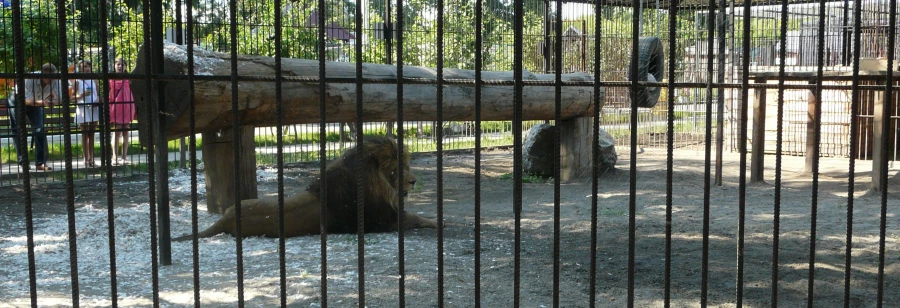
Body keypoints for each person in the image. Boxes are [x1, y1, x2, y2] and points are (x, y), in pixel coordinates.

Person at [9, 63, 62, 171]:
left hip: (37, 102)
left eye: (53, 77)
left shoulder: (56, 80)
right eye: (48, 77)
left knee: (40, 129)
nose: (51, 80)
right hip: (18, 100)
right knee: (19, 130)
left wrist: (54, 101)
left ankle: (40, 162)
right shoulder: (30, 78)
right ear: (41, 75)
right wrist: (43, 102)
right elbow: (27, 100)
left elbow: (62, 97)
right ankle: (23, 161)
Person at [72, 60, 100, 167]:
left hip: (93, 108)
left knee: (91, 134)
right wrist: (81, 95)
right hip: (82, 109)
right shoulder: (77, 81)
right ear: (80, 68)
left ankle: (91, 158)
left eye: (88, 66)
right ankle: (85, 158)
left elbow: (98, 95)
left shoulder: (94, 80)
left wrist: (97, 100)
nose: (87, 68)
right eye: (84, 66)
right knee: (84, 134)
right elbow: (72, 98)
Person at [108, 57, 135, 165]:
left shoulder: (129, 78)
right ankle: (114, 157)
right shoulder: (111, 78)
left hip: (128, 106)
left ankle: (124, 157)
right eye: (118, 64)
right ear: (114, 65)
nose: (120, 66)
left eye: (122, 65)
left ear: (125, 67)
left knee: (126, 131)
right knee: (117, 131)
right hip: (117, 107)